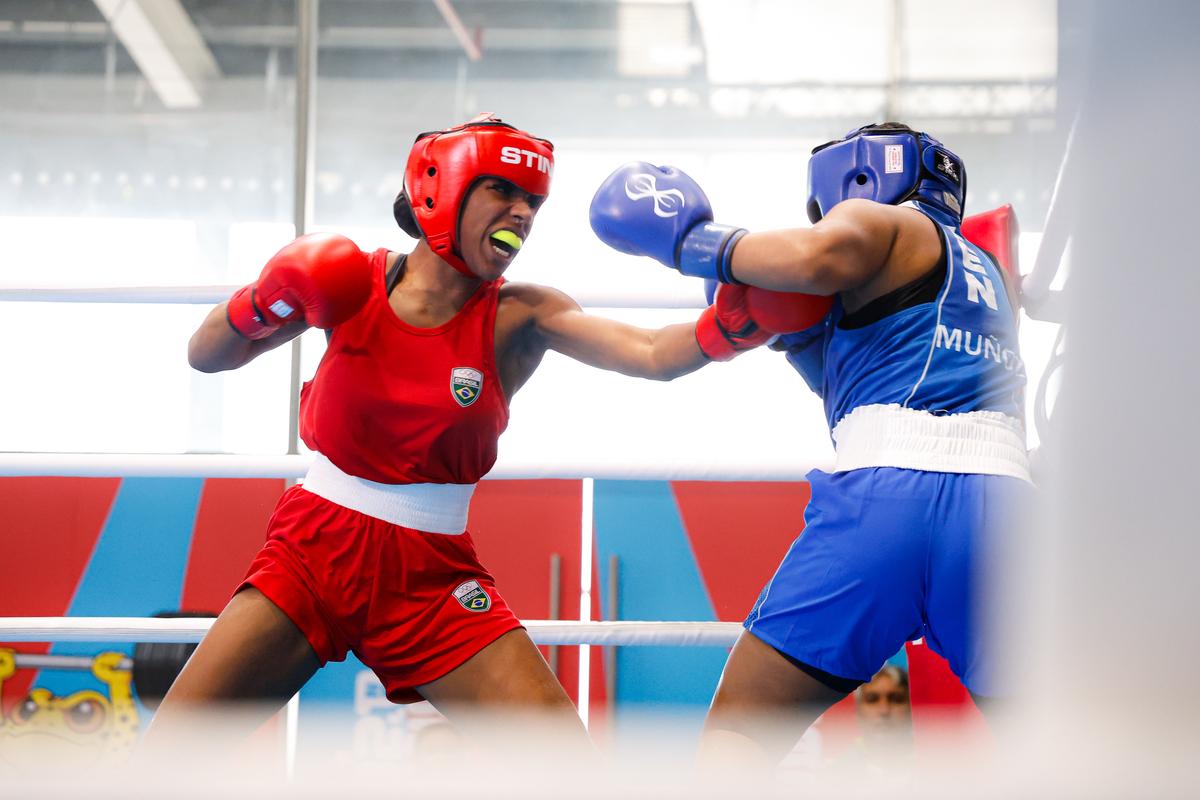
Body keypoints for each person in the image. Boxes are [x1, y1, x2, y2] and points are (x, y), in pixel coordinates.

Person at [143, 113, 825, 758]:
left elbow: (650, 352)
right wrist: (264, 300)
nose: (522, 213)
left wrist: (732, 326)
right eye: (502, 190)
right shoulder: (351, 281)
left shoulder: (521, 314)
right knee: (170, 761)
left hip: (433, 578)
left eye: (532, 199)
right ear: (443, 190)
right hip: (313, 549)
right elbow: (206, 355)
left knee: (568, 774)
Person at [589, 122, 1033, 765]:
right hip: (1003, 511)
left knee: (740, 732)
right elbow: (865, 382)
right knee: (1049, 743)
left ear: (857, 180)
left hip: (888, 498)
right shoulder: (987, 275)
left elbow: (817, 258)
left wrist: (696, 243)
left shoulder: (886, 223)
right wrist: (794, 336)